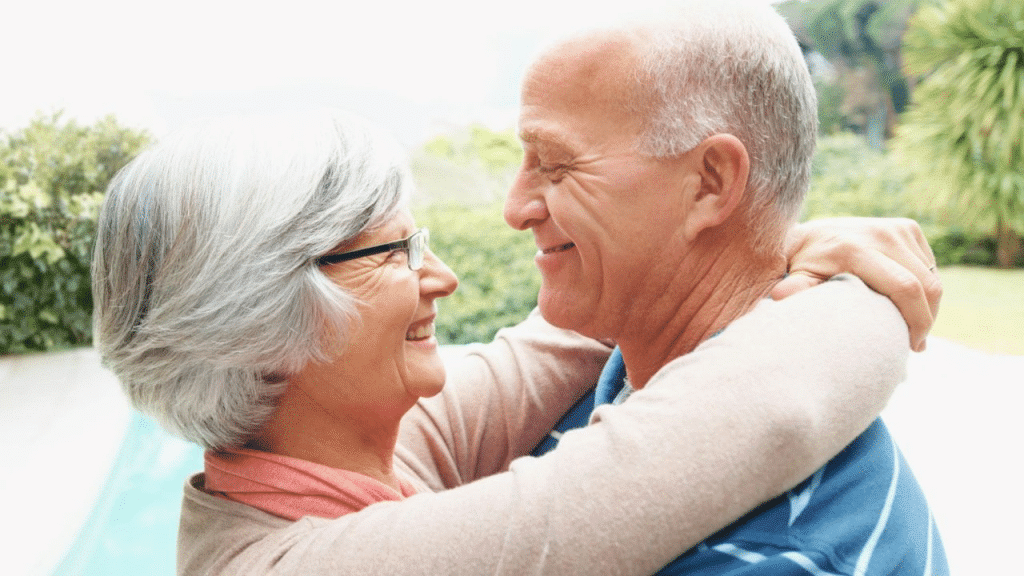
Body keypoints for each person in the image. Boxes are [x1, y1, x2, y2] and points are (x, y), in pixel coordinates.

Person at [91, 107, 935, 576]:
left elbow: (565, 335)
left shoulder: (336, 458)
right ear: (259, 317)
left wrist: (769, 239)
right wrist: (874, 291)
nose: (443, 278)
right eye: (396, 253)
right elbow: (764, 417)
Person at [509, 2, 947, 574]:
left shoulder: (781, 557)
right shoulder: (592, 386)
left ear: (710, 184)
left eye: (557, 164)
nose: (515, 209)